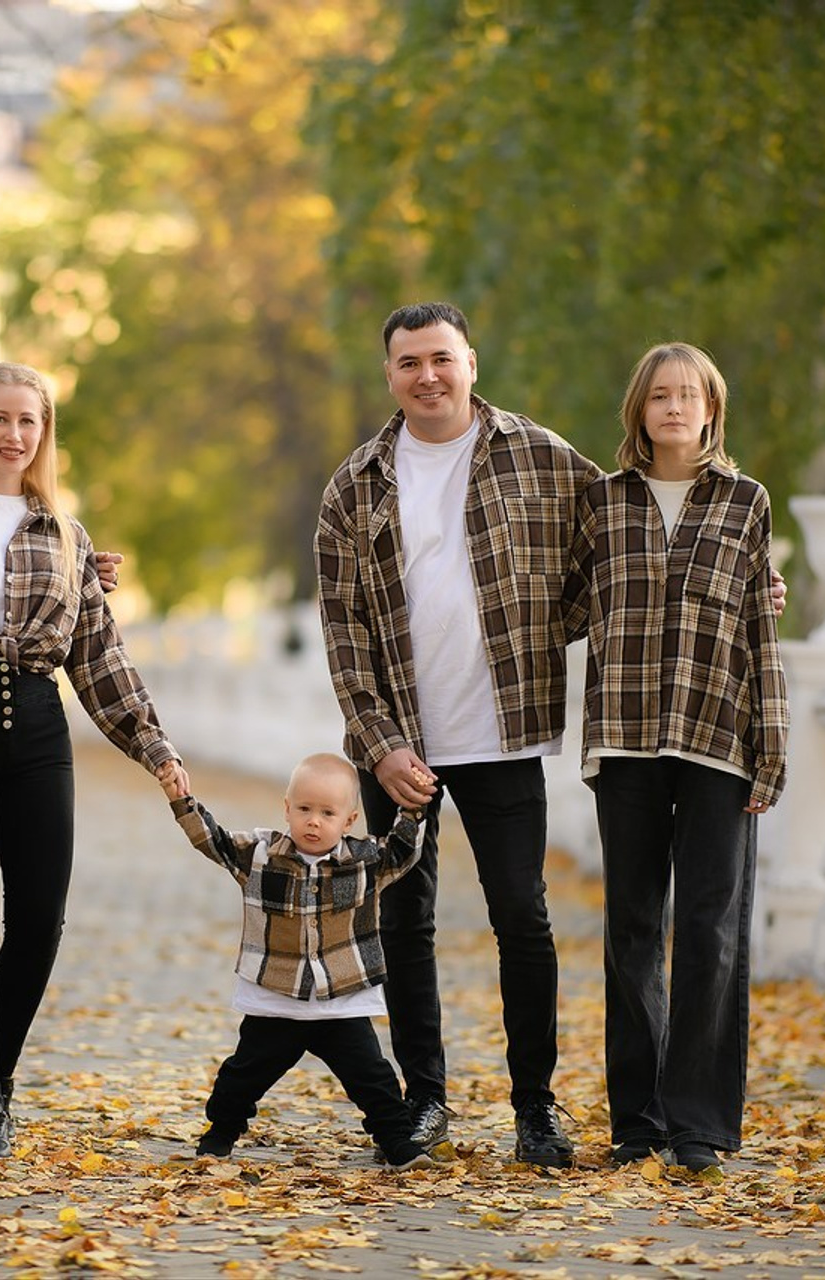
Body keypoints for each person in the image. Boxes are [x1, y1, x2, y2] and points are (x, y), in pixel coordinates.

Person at [315, 301, 601, 1168]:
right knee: (404, 921)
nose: (427, 376)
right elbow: (345, 629)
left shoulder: (541, 456)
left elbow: (627, 532)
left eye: (442, 358)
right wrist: (380, 744)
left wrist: (746, 573)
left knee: (523, 917)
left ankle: (535, 1108)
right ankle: (425, 1098)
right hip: (402, 743)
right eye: (409, 363)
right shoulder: (355, 483)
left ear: (472, 361)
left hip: (503, 732)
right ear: (390, 375)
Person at [0, 361, 187, 1159]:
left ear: (44, 432)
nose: (14, 436)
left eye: (30, 422)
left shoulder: (67, 535)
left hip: (40, 731)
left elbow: (98, 655)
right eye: (0, 419)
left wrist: (154, 749)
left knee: (40, 922)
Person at [561, 342, 789, 1172]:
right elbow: (565, 606)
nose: (673, 407)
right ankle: (638, 1122)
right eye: (658, 395)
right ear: (639, 411)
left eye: (688, 394)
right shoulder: (602, 503)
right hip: (624, 740)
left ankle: (699, 1126)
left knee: (710, 932)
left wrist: (773, 748)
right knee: (630, 928)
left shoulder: (746, 503)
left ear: (711, 409)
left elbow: (760, 631)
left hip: (716, 738)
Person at [160, 752, 434, 1170]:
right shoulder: (260, 854)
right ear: (286, 809)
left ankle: (398, 1143)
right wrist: (183, 801)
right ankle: (219, 1135)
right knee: (242, 1076)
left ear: (349, 821)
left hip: (340, 1001)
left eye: (327, 813)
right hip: (277, 997)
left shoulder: (364, 861)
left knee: (374, 1080)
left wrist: (413, 807)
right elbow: (212, 840)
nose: (313, 821)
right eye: (304, 809)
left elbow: (403, 851)